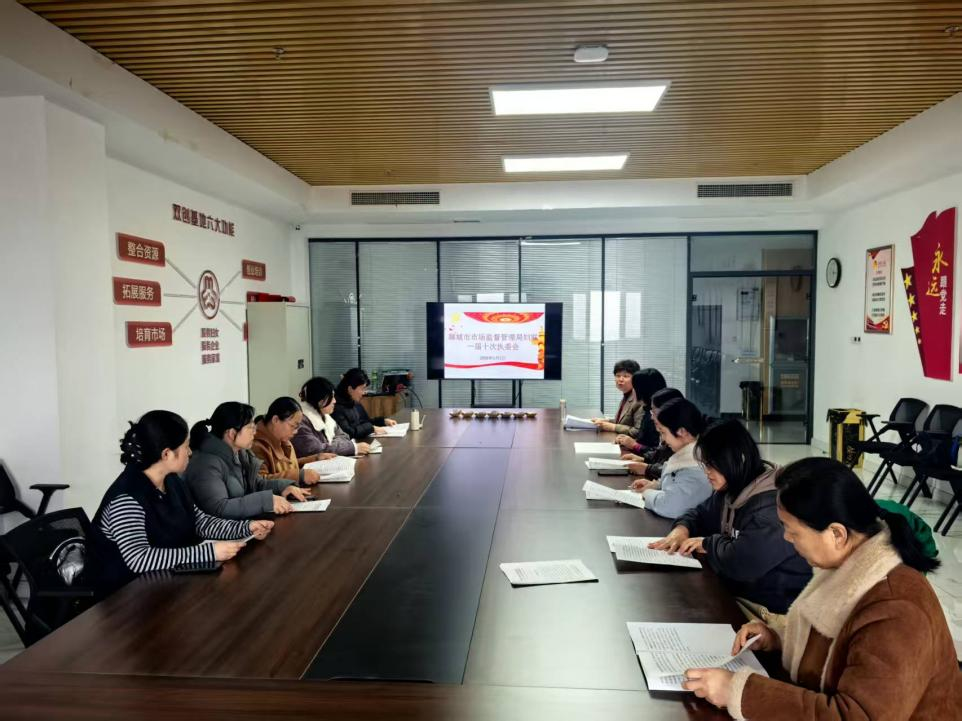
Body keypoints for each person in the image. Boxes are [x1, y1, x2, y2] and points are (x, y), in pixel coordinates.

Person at [683, 457, 960, 720]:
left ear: (837, 534)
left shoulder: (896, 608)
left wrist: (741, 693)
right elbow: (840, 643)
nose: (786, 538)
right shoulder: (849, 565)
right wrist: (779, 638)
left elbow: (857, 716)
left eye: (793, 531)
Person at [88, 410, 273, 598]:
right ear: (167, 454)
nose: (190, 452)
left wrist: (246, 528)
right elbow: (139, 559)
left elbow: (201, 523)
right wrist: (208, 552)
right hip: (124, 598)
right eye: (186, 447)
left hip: (165, 585)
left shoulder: (172, 481)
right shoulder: (127, 498)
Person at [650, 419, 811, 616]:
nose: (707, 473)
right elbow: (699, 513)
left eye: (712, 465)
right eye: (705, 465)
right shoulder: (733, 487)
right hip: (740, 593)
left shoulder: (772, 508)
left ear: (738, 459)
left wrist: (708, 543)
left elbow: (742, 563)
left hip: (771, 610)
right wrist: (681, 529)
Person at [185, 402, 312, 519]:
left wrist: (284, 487)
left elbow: (256, 484)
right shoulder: (206, 464)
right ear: (232, 433)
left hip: (246, 524)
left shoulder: (241, 453)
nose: (254, 432)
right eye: (250, 428)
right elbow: (219, 508)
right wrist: (266, 501)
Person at [631, 398, 712, 519]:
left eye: (663, 432)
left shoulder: (696, 466)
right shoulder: (687, 454)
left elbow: (670, 506)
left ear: (682, 431)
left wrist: (647, 493)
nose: (663, 439)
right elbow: (677, 484)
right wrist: (657, 485)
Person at [251, 396, 325, 484]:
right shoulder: (256, 446)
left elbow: (287, 466)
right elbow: (260, 482)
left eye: (297, 427)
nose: (296, 431)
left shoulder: (281, 439)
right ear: (275, 420)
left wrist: (316, 458)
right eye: (293, 426)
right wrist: (299, 476)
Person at [292, 376, 371, 457]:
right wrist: (352, 448)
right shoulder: (301, 422)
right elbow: (317, 450)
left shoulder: (326, 417)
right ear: (320, 401)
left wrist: (333, 446)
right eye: (331, 397)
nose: (335, 401)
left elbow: (344, 436)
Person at [622, 387, 685, 479]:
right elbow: (661, 452)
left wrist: (648, 469)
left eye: (654, 412)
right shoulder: (668, 428)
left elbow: (677, 472)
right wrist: (644, 459)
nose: (651, 417)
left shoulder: (680, 433)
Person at [331, 368, 397, 440]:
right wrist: (371, 428)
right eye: (362, 388)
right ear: (350, 389)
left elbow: (363, 423)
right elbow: (348, 433)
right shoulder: (335, 407)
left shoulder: (352, 402)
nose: (364, 392)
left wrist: (382, 421)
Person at [591, 360, 643, 435]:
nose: (620, 379)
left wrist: (613, 427)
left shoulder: (639, 400)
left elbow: (638, 431)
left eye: (626, 376)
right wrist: (605, 421)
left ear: (635, 379)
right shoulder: (626, 396)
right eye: (618, 376)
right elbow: (622, 422)